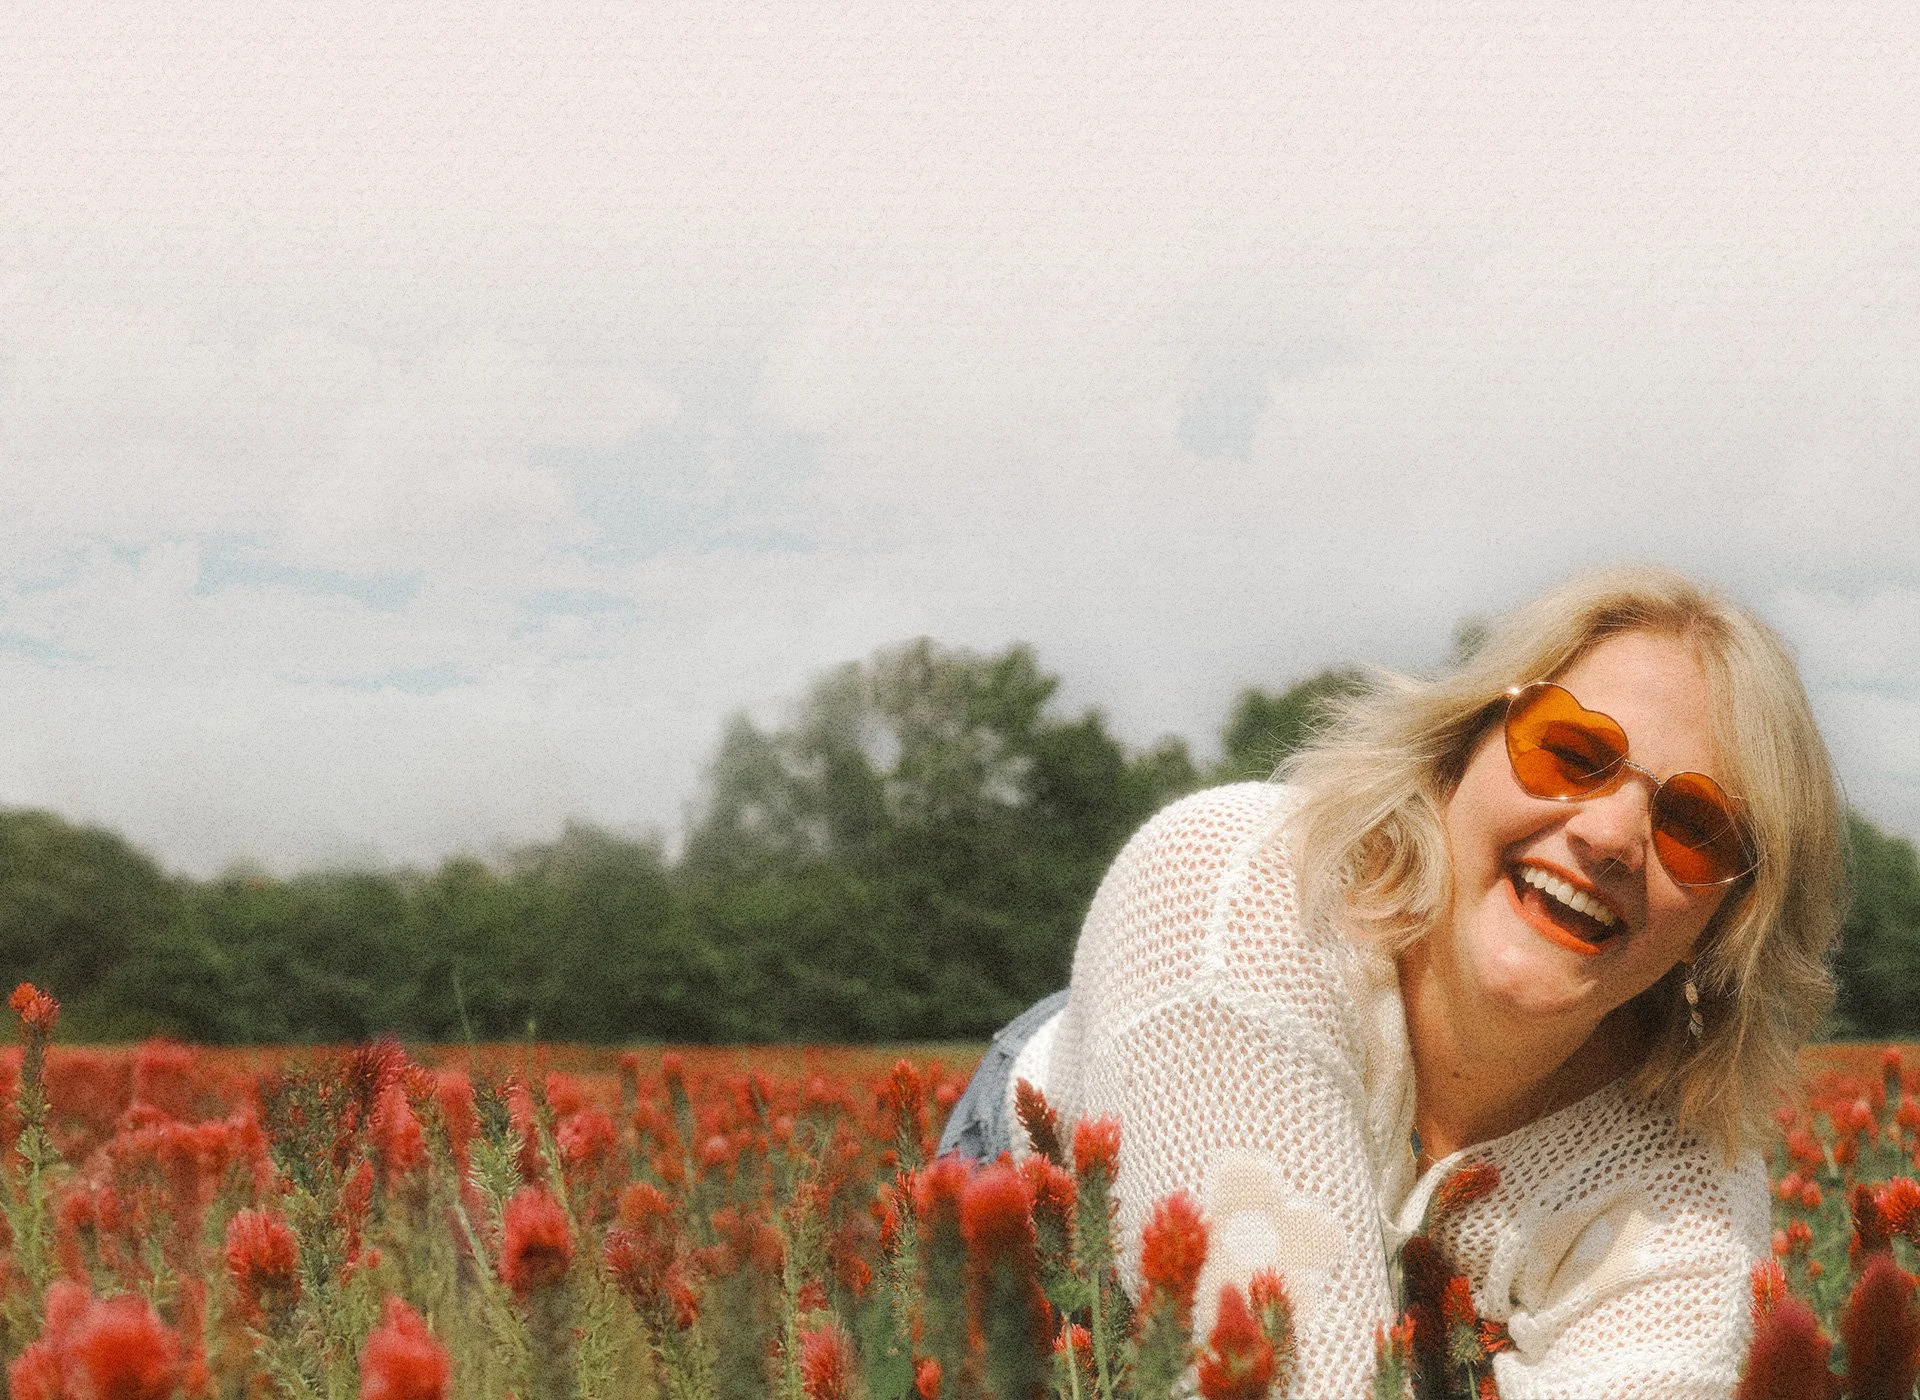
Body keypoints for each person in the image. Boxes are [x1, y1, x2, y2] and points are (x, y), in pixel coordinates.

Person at [937, 566, 1846, 1398]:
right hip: (1060, 1254)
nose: (1608, 836)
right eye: (1571, 752)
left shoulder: (1687, 1180)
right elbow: (1280, 1379)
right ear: (1458, 753)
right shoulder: (1233, 893)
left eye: (1695, 827)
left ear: (1727, 922)